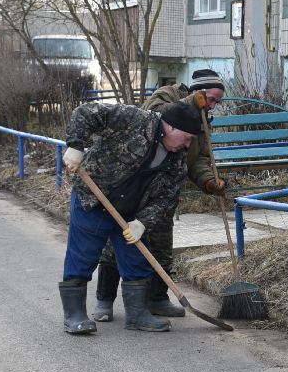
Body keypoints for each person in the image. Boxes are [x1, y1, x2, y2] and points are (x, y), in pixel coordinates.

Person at [57, 100, 205, 335]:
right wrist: (76, 146)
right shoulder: (133, 120)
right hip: (95, 199)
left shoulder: (176, 161)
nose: (187, 145)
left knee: (136, 260)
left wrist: (143, 222)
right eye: (186, 138)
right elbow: (85, 112)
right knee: (83, 255)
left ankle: (137, 315)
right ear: (171, 127)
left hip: (131, 212)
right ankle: (74, 316)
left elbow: (166, 199)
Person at [91, 69, 228, 322]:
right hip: (138, 183)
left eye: (216, 102)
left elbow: (197, 158)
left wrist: (209, 181)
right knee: (116, 244)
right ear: (197, 92)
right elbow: (158, 118)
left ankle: (157, 299)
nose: (213, 106)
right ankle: (104, 300)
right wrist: (191, 104)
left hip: (166, 186)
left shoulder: (204, 121)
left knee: (162, 246)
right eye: (210, 99)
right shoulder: (166, 96)